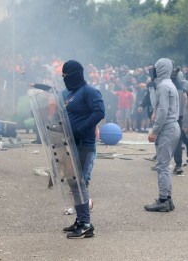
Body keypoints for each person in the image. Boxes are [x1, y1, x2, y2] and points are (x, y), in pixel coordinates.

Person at [61, 60, 105, 238]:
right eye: (62, 76)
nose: (64, 79)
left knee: (80, 183)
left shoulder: (89, 91)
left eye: (67, 76)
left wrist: (81, 130)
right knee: (73, 183)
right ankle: (80, 220)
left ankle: (86, 224)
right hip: (70, 145)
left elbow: (99, 112)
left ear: (76, 74)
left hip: (84, 145)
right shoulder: (69, 93)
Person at [144, 58, 180, 212]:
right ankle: (168, 198)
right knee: (164, 165)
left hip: (167, 128)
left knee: (162, 166)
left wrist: (155, 131)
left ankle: (163, 200)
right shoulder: (169, 84)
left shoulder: (163, 86)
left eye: (156, 67)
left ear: (161, 69)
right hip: (172, 127)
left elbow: (163, 110)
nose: (154, 70)